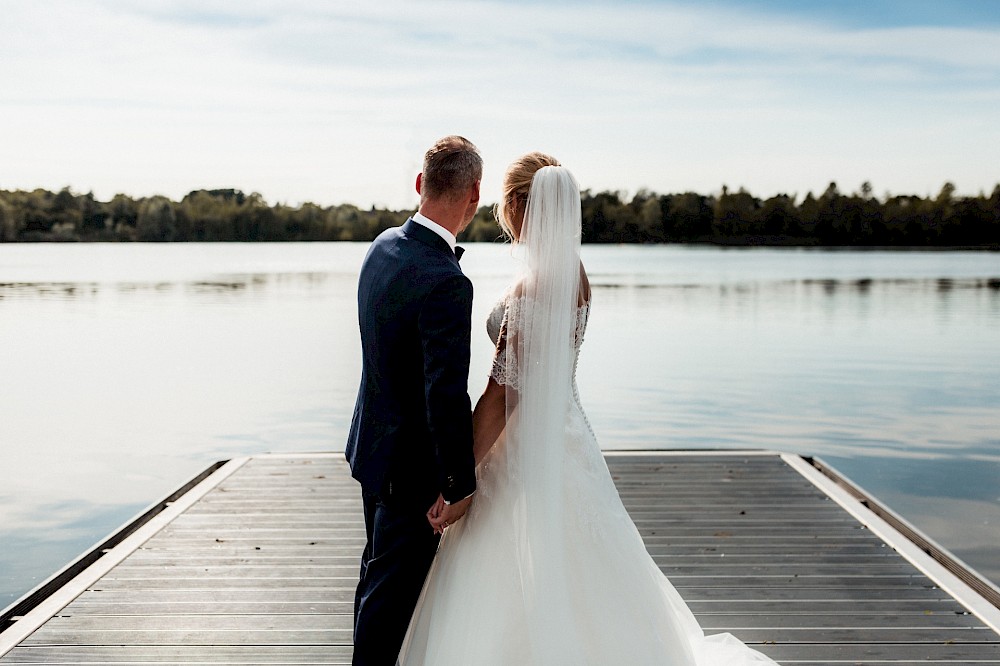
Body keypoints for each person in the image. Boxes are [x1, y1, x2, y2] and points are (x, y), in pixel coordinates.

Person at [399, 153, 780, 665]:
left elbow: (498, 400)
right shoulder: (576, 275)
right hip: (566, 435)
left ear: (516, 207)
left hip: (523, 452)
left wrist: (456, 481)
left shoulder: (531, 291)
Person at [345, 136, 482, 666]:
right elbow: (443, 394)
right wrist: (458, 484)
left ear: (421, 184)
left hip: (371, 453)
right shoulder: (447, 282)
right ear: (473, 197)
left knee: (374, 581)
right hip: (411, 475)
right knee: (388, 606)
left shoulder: (381, 247)